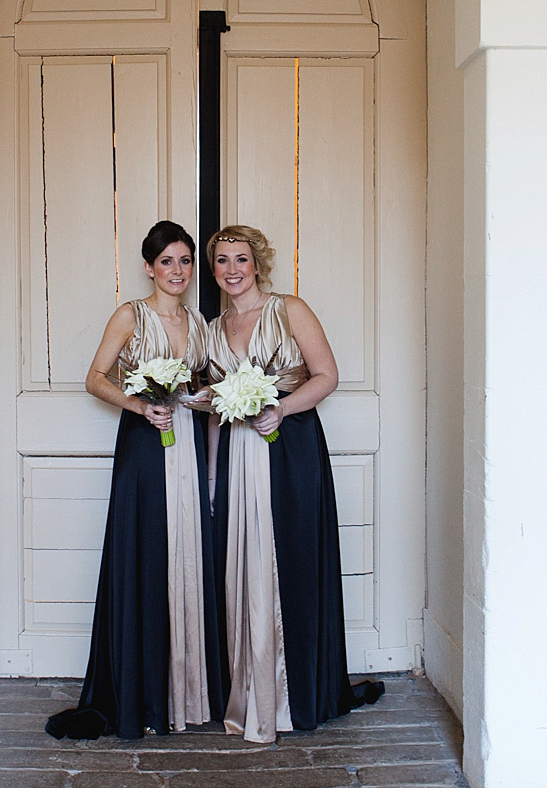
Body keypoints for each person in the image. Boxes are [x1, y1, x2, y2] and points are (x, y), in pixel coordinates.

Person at [45, 220, 224, 740]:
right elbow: (95, 378)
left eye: (185, 261)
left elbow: (208, 386)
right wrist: (140, 405)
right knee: (147, 555)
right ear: (149, 267)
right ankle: (142, 691)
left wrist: (210, 399)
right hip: (145, 448)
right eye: (166, 261)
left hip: (188, 441)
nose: (177, 271)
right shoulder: (130, 316)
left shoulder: (200, 323)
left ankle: (188, 691)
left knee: (190, 552)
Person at [206, 224, 384, 744]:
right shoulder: (214, 329)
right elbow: (217, 411)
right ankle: (252, 691)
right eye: (222, 261)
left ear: (258, 264)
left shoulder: (290, 310)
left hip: (292, 447)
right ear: (214, 269)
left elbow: (326, 375)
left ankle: (296, 693)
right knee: (243, 568)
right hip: (239, 452)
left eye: (241, 259)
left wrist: (281, 409)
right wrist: (214, 476)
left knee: (292, 563)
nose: (232, 269)